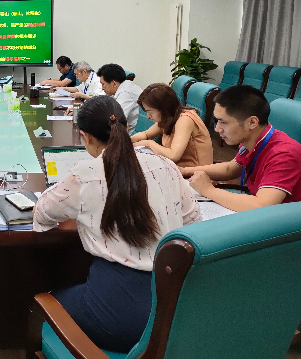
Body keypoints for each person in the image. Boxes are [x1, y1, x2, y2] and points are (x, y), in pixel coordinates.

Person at [33, 96, 201, 353]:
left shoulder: (85, 173)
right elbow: (193, 221)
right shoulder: (166, 165)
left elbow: (43, 214)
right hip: (176, 311)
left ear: (85, 136)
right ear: (126, 127)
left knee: (47, 298)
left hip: (116, 318)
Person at [181, 85, 301, 211]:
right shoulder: (253, 140)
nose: (217, 129)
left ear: (252, 122)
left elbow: (261, 206)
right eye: (217, 121)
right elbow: (229, 169)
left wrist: (207, 189)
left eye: (223, 122)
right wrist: (184, 170)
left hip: (286, 218)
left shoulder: (283, 154)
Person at [131, 83, 213, 168]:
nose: (148, 115)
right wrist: (128, 140)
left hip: (195, 172)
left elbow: (173, 155)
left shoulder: (185, 120)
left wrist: (149, 143)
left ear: (163, 108)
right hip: (177, 168)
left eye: (150, 111)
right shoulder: (168, 118)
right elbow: (146, 134)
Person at [97, 63, 142, 134]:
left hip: (130, 134)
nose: (102, 88)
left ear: (114, 83)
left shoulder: (126, 93)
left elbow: (115, 120)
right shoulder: (120, 88)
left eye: (103, 84)